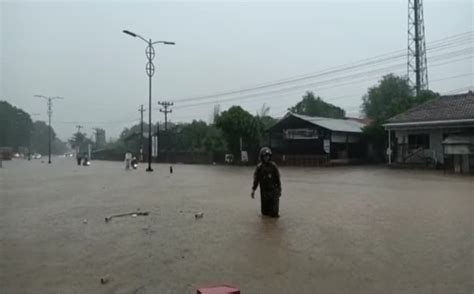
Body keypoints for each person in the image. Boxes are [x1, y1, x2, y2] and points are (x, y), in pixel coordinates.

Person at [251, 147, 282, 218]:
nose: (266, 158)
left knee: (274, 214)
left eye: (268, 156)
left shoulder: (273, 166)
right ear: (262, 157)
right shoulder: (259, 167)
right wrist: (253, 190)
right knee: (265, 214)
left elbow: (278, 179)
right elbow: (256, 180)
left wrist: (279, 190)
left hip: (274, 191)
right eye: (265, 156)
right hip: (264, 192)